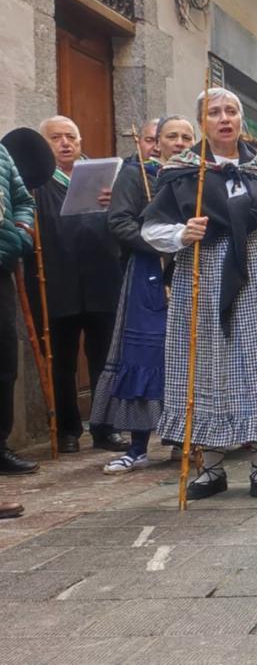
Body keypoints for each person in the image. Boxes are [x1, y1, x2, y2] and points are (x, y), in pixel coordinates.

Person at [142, 87, 257, 500]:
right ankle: (210, 469)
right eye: (214, 112)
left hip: (256, 272)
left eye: (231, 110)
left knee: (256, 365)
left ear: (241, 119)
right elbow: (150, 228)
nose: (224, 118)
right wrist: (183, 232)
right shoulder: (183, 171)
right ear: (203, 123)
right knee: (206, 368)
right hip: (202, 273)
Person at [95, 116, 196, 474]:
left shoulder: (199, 177)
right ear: (156, 142)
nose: (180, 142)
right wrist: (156, 242)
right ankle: (137, 446)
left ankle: (184, 440)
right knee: (145, 353)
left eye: (187, 136)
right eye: (172, 136)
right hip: (147, 275)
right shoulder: (135, 174)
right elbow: (120, 221)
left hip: (188, 272)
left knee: (188, 356)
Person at [30, 116, 128, 454]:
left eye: (71, 136)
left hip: (102, 279)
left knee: (104, 359)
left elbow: (127, 221)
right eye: (56, 138)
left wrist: (115, 204)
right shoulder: (36, 183)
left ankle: (105, 428)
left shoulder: (107, 179)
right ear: (45, 145)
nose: (65, 143)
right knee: (62, 362)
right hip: (55, 283)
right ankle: (67, 430)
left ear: (81, 140)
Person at [0, 140, 39, 478]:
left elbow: (23, 201)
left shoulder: (1, 153)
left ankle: (0, 447)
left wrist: (21, 234)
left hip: (0, 267)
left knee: (4, 363)